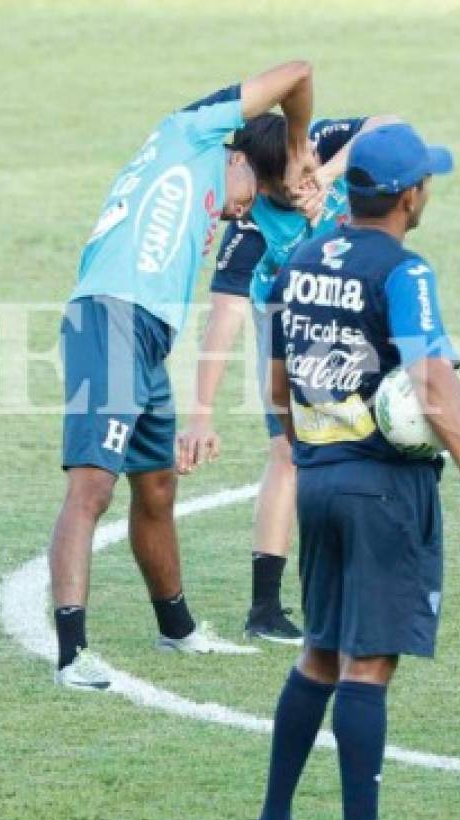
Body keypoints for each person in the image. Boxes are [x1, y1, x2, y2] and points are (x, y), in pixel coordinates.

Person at [251, 123, 460, 820]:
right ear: (409, 195)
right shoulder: (405, 271)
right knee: (369, 663)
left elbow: (275, 384)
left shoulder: (297, 260)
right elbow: (429, 380)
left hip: (318, 478)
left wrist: (309, 449)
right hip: (382, 488)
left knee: (320, 650)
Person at [50, 61, 319, 690]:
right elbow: (298, 73)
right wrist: (301, 141)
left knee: (158, 488)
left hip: (145, 335)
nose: (235, 215)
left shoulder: (207, 193)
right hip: (109, 315)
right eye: (245, 200)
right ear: (238, 154)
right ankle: (72, 653)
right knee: (92, 487)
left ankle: (178, 629)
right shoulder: (192, 134)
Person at [176, 112, 382, 644]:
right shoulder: (249, 232)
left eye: (301, 174)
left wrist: (330, 172)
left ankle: (362, 587)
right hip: (293, 332)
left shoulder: (318, 144)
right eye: (283, 187)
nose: (298, 189)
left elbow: (390, 125)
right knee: (288, 455)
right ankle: (265, 608)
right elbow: (224, 318)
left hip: (361, 316)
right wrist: (201, 412)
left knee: (378, 445)